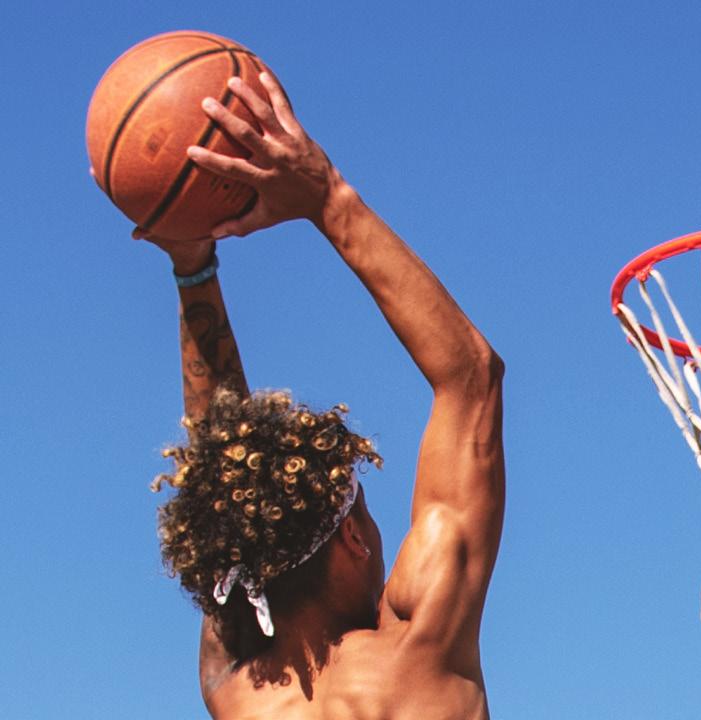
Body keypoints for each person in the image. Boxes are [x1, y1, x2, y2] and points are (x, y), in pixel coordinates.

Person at [142, 72, 505, 719]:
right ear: (353, 540)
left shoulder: (233, 691)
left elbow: (223, 463)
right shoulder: (416, 655)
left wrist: (191, 264)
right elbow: (470, 378)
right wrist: (326, 196)